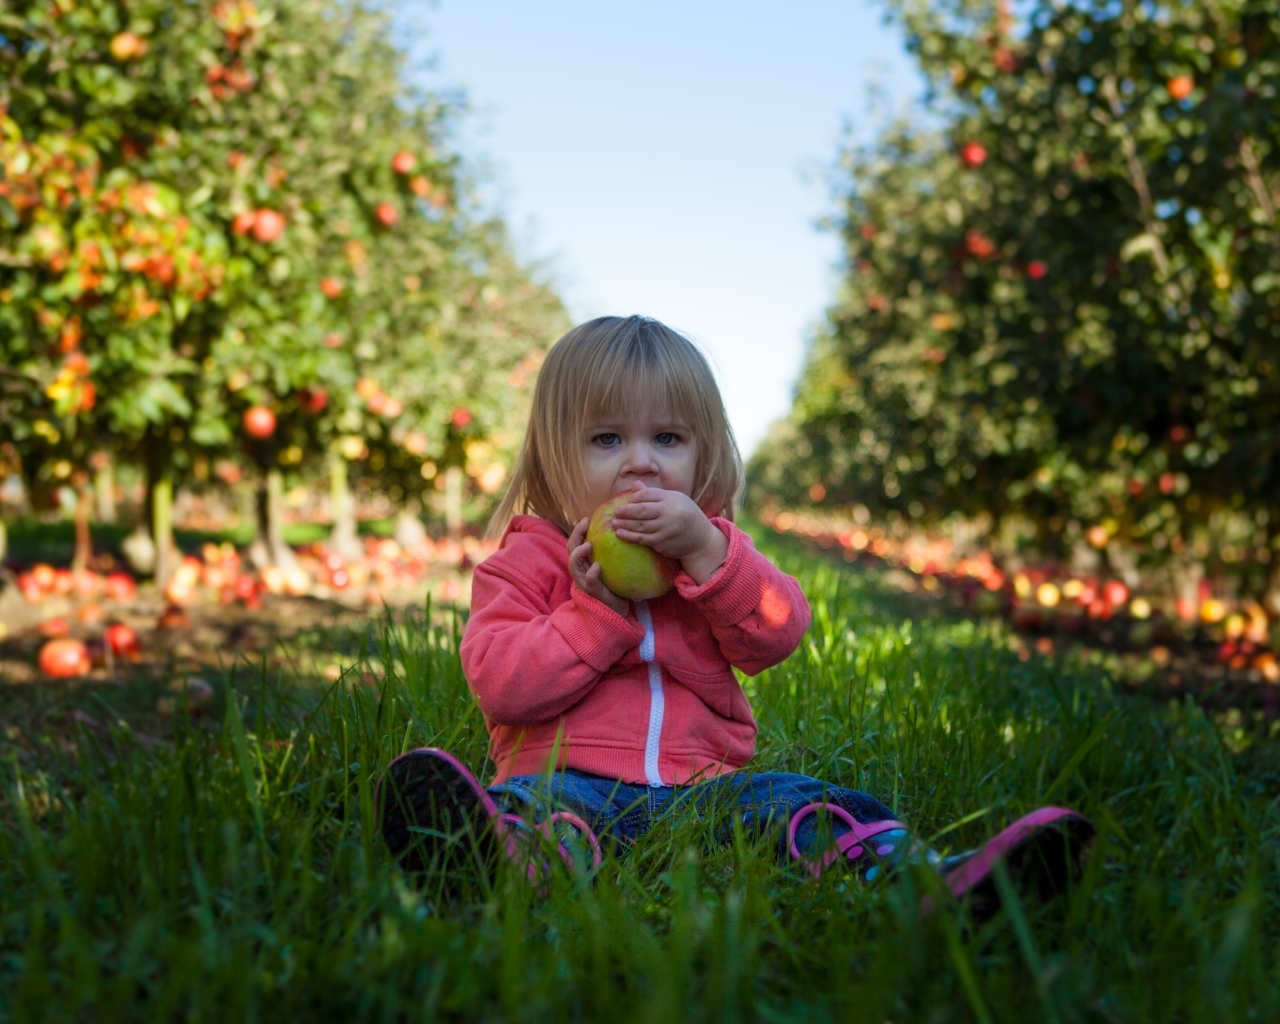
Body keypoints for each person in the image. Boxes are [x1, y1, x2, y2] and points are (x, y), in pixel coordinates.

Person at [378, 315, 1093, 908]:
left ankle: (933, 882)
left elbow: (779, 633)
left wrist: (711, 559)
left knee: (811, 805)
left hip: (705, 791)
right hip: (567, 776)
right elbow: (503, 684)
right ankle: (495, 858)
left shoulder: (711, 555)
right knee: (540, 811)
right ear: (551, 454)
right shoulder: (524, 565)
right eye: (606, 439)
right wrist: (594, 614)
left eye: (667, 439)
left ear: (702, 452)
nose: (640, 464)